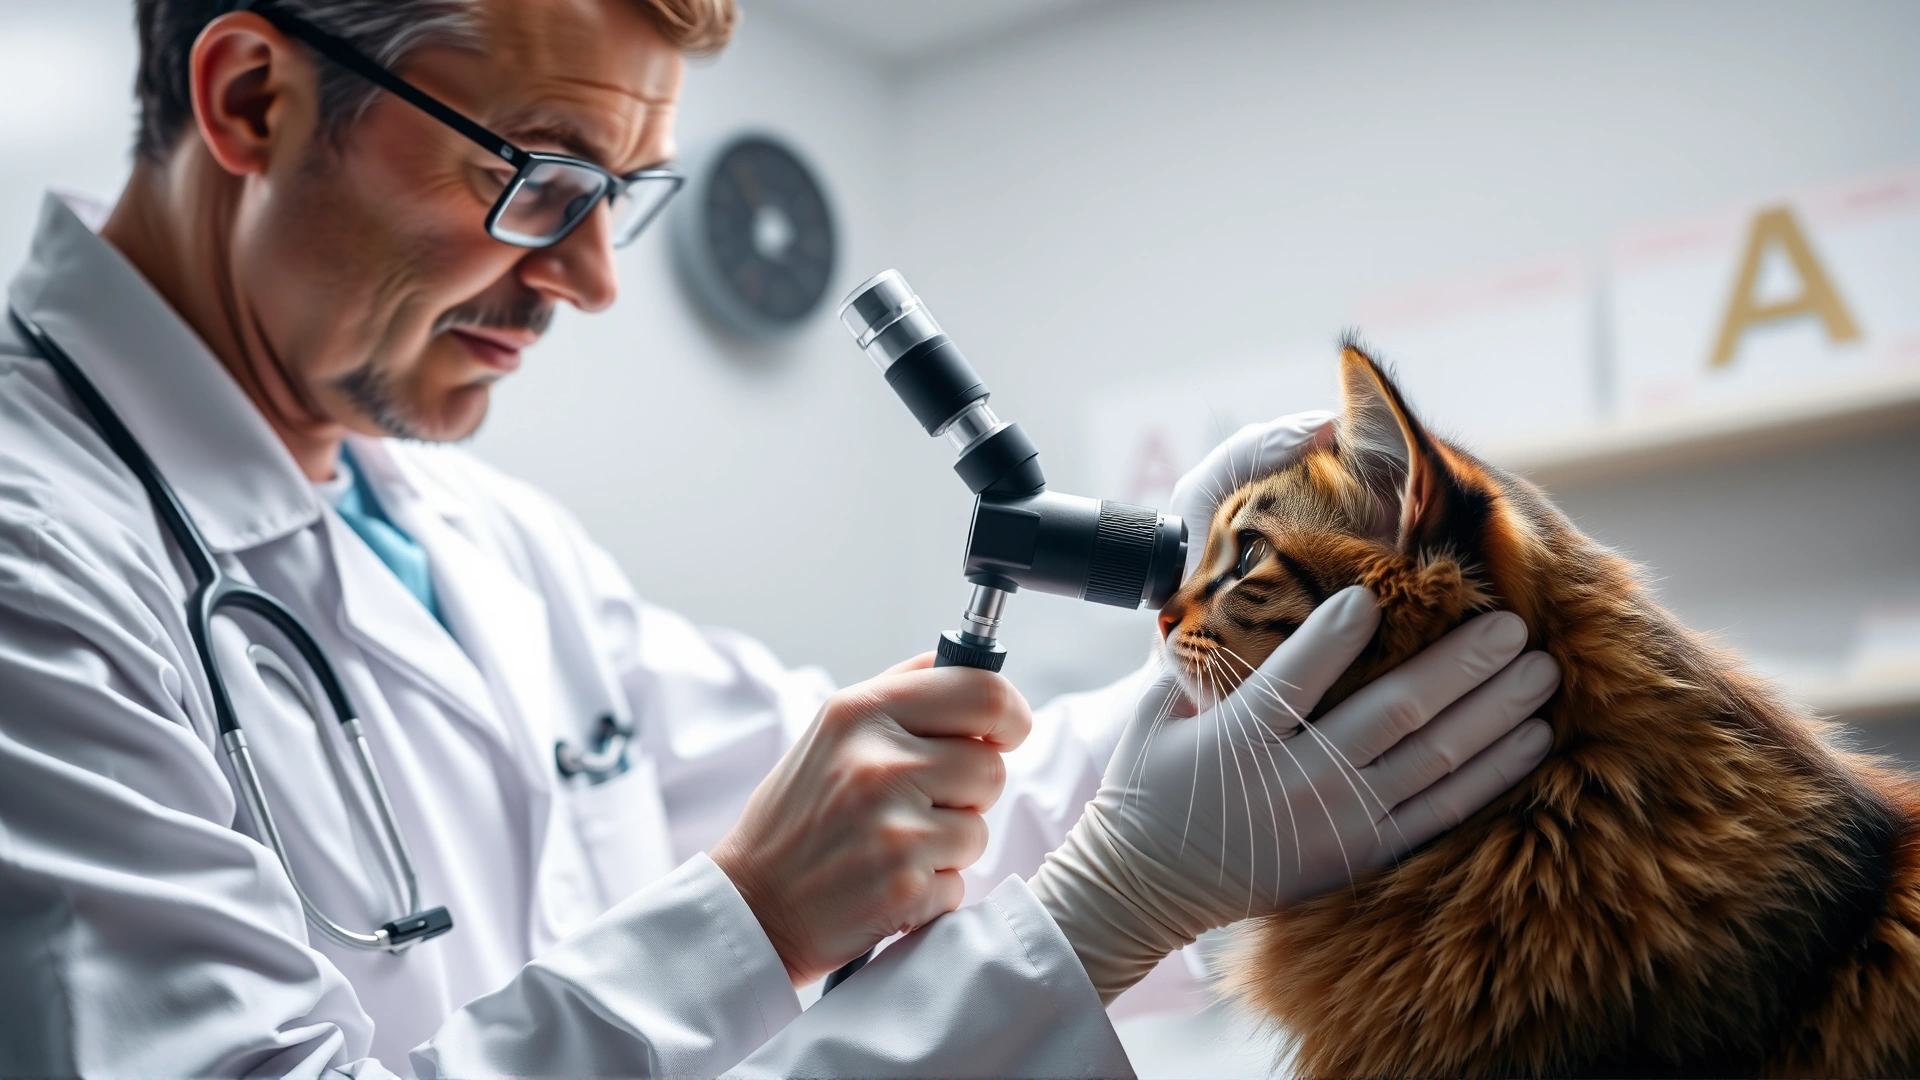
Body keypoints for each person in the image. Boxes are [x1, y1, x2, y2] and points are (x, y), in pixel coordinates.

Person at [0, 0, 1559, 1075]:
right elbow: (790, 884)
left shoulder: (484, 540)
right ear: (251, 99)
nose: (596, 277)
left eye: (626, 192)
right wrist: (752, 918)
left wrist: (1215, 723)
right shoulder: (37, 566)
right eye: (537, 176)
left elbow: (905, 830)